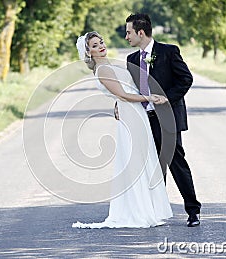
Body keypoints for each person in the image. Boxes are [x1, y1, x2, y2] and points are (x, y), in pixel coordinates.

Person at [72, 31, 173, 228]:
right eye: (94, 45)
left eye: (100, 42)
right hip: (130, 114)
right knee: (135, 161)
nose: (100, 46)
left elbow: (122, 93)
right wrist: (149, 98)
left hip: (134, 113)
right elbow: (123, 95)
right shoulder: (102, 69)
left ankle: (149, 209)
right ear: (88, 52)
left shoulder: (108, 65)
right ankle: (139, 211)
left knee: (144, 158)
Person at [124, 13, 201, 227]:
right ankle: (157, 211)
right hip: (144, 119)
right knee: (152, 166)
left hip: (168, 118)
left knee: (176, 162)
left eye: (129, 32)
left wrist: (165, 99)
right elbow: (130, 90)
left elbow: (186, 79)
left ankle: (193, 210)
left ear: (141, 32)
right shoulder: (131, 59)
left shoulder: (169, 52)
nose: (126, 36)